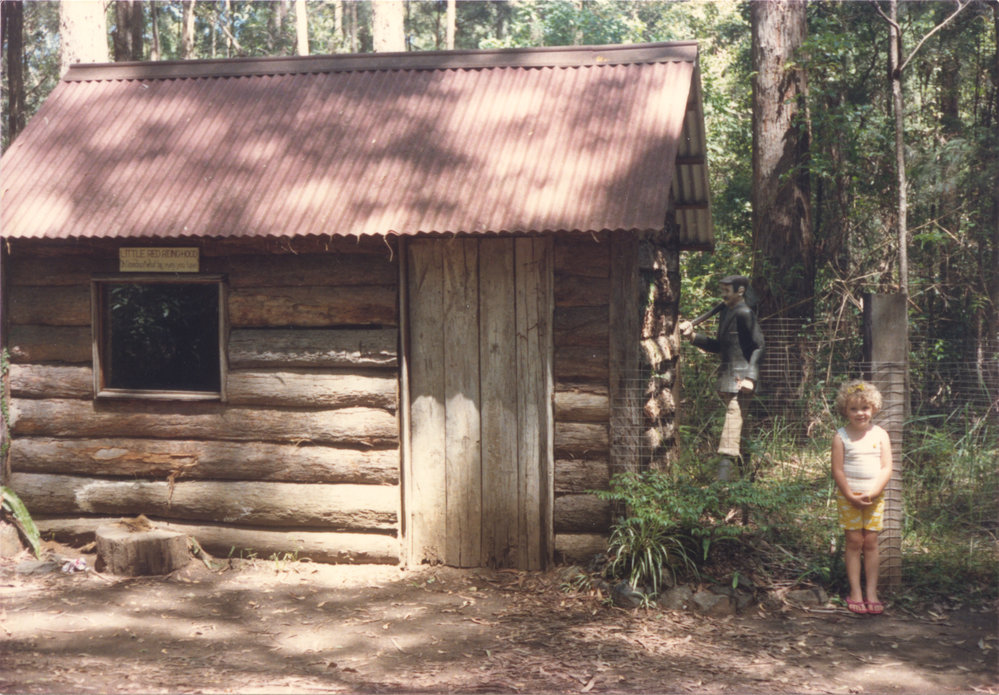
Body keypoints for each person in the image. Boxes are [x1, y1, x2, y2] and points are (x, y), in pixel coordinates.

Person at [678, 275, 764, 480]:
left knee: (731, 428)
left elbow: (760, 346)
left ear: (740, 291)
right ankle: (746, 481)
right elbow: (719, 346)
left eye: (727, 290)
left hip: (741, 383)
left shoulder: (745, 313)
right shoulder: (727, 312)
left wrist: (750, 378)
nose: (723, 294)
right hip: (726, 381)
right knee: (740, 430)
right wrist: (692, 336)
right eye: (722, 290)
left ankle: (720, 488)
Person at [831, 379, 893, 616]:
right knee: (854, 541)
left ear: (874, 408)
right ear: (845, 410)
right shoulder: (841, 437)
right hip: (849, 498)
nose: (860, 413)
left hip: (874, 497)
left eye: (865, 408)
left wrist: (875, 490)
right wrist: (849, 495)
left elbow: (887, 467)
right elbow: (837, 470)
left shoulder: (880, 435)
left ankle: (871, 592)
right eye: (854, 409)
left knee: (871, 542)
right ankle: (855, 591)